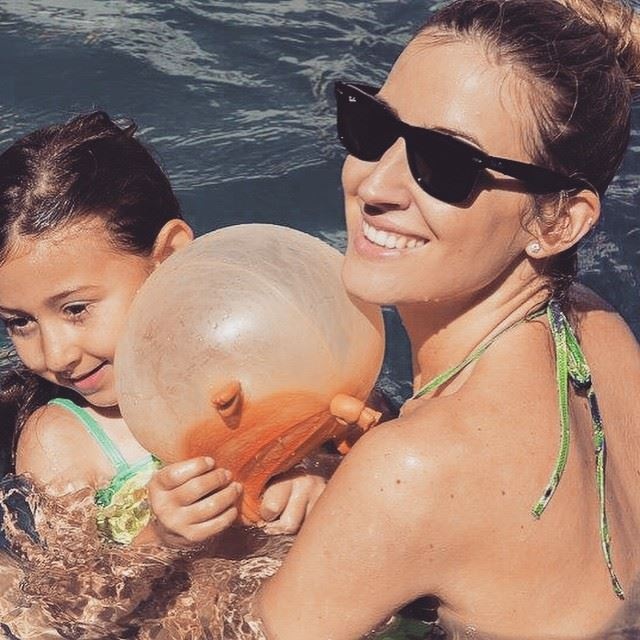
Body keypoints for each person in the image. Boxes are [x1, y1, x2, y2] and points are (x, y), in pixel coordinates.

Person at [254, 0, 640, 637]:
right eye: (372, 127)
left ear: (559, 221)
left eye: (446, 164)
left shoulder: (410, 471)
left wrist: (184, 536)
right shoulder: (602, 331)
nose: (375, 186)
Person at [0, 111, 325, 547]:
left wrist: (318, 478)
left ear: (169, 257)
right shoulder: (61, 442)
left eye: (76, 309)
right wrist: (159, 538)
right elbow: (68, 589)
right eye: (19, 322)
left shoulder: (260, 369)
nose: (56, 354)